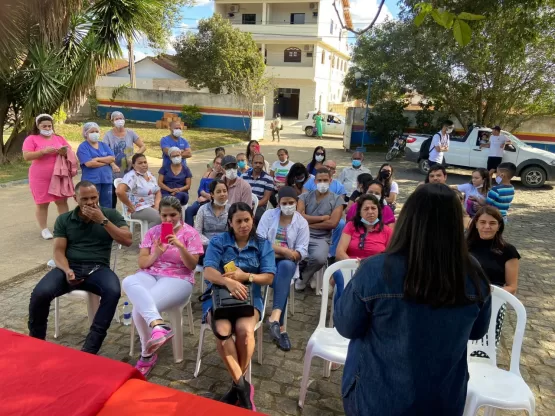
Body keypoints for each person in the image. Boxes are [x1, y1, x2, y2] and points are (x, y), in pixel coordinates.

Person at [334, 184, 491, 416]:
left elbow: (346, 325)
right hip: (443, 398)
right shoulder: (473, 272)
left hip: (377, 397)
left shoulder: (375, 270)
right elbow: (478, 331)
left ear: (408, 220)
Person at [28, 181, 133, 354]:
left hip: (98, 268)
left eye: (93, 197)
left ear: (98, 196)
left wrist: (103, 221)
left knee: (113, 291)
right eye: (85, 199)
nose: (90, 202)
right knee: (40, 293)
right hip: (69, 267)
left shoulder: (110, 214)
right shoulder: (65, 219)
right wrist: (67, 270)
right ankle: (36, 341)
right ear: (75, 198)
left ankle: (90, 348)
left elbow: (127, 240)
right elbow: (58, 252)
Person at [202, 202, 275, 410]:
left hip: (249, 298)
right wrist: (228, 281)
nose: (243, 225)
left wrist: (246, 276)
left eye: (247, 220)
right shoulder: (219, 242)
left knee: (245, 331)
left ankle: (236, 388)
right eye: (238, 221)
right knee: (223, 332)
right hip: (220, 297)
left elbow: (269, 277)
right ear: (230, 223)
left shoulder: (262, 244)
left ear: (253, 221)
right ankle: (244, 391)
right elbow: (208, 272)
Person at [122, 196, 203, 376]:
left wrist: (181, 247)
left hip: (179, 278)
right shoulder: (153, 232)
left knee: (139, 308)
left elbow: (191, 266)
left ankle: (147, 353)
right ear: (159, 215)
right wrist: (156, 254)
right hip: (150, 273)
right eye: (164, 215)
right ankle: (158, 327)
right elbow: (143, 263)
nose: (168, 220)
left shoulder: (190, 233)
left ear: (179, 214)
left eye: (173, 215)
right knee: (127, 281)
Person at [257, 186, 309, 351]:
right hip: (267, 260)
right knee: (284, 274)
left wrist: (289, 254)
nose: (288, 206)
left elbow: (302, 251)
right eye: (284, 203)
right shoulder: (268, 215)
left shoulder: (301, 222)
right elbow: (260, 241)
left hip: (286, 263)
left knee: (286, 268)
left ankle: (276, 318)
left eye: (291, 203)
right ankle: (280, 326)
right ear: (278, 203)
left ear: (296, 202)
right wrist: (284, 251)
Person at [467, 206, 520, 355]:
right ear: (475, 223)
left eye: (492, 223)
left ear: (499, 226)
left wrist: (488, 291)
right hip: (464, 301)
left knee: (484, 352)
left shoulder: (508, 251)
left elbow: (512, 286)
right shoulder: (463, 246)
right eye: (482, 222)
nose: (486, 227)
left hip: (493, 302)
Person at [22, 114, 74, 240]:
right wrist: (42, 152)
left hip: (59, 175)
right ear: (38, 126)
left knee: (62, 201)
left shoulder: (58, 138)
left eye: (49, 125)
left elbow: (69, 151)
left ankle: (64, 227)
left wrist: (64, 151)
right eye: (44, 126)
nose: (47, 128)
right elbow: (26, 156)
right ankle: (44, 229)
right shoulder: (31, 139)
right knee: (42, 203)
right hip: (39, 177)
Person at [333, 194, 393, 300]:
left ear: (378, 211)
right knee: (341, 277)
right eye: (366, 209)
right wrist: (356, 266)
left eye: (373, 208)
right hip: (350, 268)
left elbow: (390, 256)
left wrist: (367, 267)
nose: (370, 211)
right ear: (359, 212)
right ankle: (342, 314)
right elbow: (340, 252)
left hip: (375, 271)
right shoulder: (351, 226)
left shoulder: (387, 231)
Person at [295, 168, 344, 290]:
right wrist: (322, 218)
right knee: (289, 254)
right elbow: (298, 216)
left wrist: (308, 221)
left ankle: (304, 277)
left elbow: (332, 223)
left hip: (321, 237)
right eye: (319, 180)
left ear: (330, 181)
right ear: (314, 181)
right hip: (301, 234)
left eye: (325, 180)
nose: (322, 183)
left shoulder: (337, 199)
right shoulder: (304, 196)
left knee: (320, 258)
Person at [102, 111, 146, 208]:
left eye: (121, 118)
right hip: (113, 170)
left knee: (130, 195)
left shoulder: (130, 133)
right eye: (116, 119)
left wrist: (134, 157)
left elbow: (143, 146)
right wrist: (112, 165)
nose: (119, 121)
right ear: (112, 121)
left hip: (129, 169)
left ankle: (131, 214)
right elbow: (104, 152)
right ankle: (112, 216)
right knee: (112, 195)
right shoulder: (108, 135)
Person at [116, 153, 162, 230]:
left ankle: (166, 239)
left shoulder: (149, 174)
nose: (144, 165)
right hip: (138, 209)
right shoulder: (131, 176)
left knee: (170, 213)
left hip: (152, 205)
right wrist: (130, 206)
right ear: (133, 165)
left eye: (145, 162)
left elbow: (157, 191)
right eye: (140, 163)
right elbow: (119, 191)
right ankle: (148, 240)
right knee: (159, 217)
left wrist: (157, 205)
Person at [77, 122, 115, 208]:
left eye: (96, 131)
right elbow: (89, 164)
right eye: (92, 131)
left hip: (106, 179)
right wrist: (106, 162)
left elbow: (112, 158)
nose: (95, 133)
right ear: (86, 133)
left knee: (107, 205)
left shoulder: (103, 145)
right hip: (91, 181)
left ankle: (105, 221)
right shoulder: (83, 147)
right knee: (91, 204)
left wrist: (98, 159)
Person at [194, 180, 230, 260]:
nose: (222, 194)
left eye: (225, 191)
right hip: (206, 246)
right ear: (212, 194)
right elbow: (197, 232)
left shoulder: (231, 209)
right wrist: (211, 243)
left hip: (225, 245)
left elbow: (233, 232)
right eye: (218, 192)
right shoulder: (203, 209)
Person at [185, 156, 223, 226]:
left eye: (220, 164)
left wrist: (206, 197)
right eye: (217, 163)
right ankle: (189, 232)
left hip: (212, 202)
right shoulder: (207, 174)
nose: (218, 165)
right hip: (201, 200)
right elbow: (200, 189)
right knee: (189, 210)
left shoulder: (223, 177)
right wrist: (204, 195)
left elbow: (218, 192)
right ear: (214, 163)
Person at [242, 154, 275, 223]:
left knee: (257, 218)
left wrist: (254, 206)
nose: (258, 165)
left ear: (263, 164)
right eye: (255, 162)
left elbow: (265, 199)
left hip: (260, 206)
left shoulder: (268, 179)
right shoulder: (243, 176)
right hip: (244, 204)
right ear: (251, 163)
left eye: (260, 163)